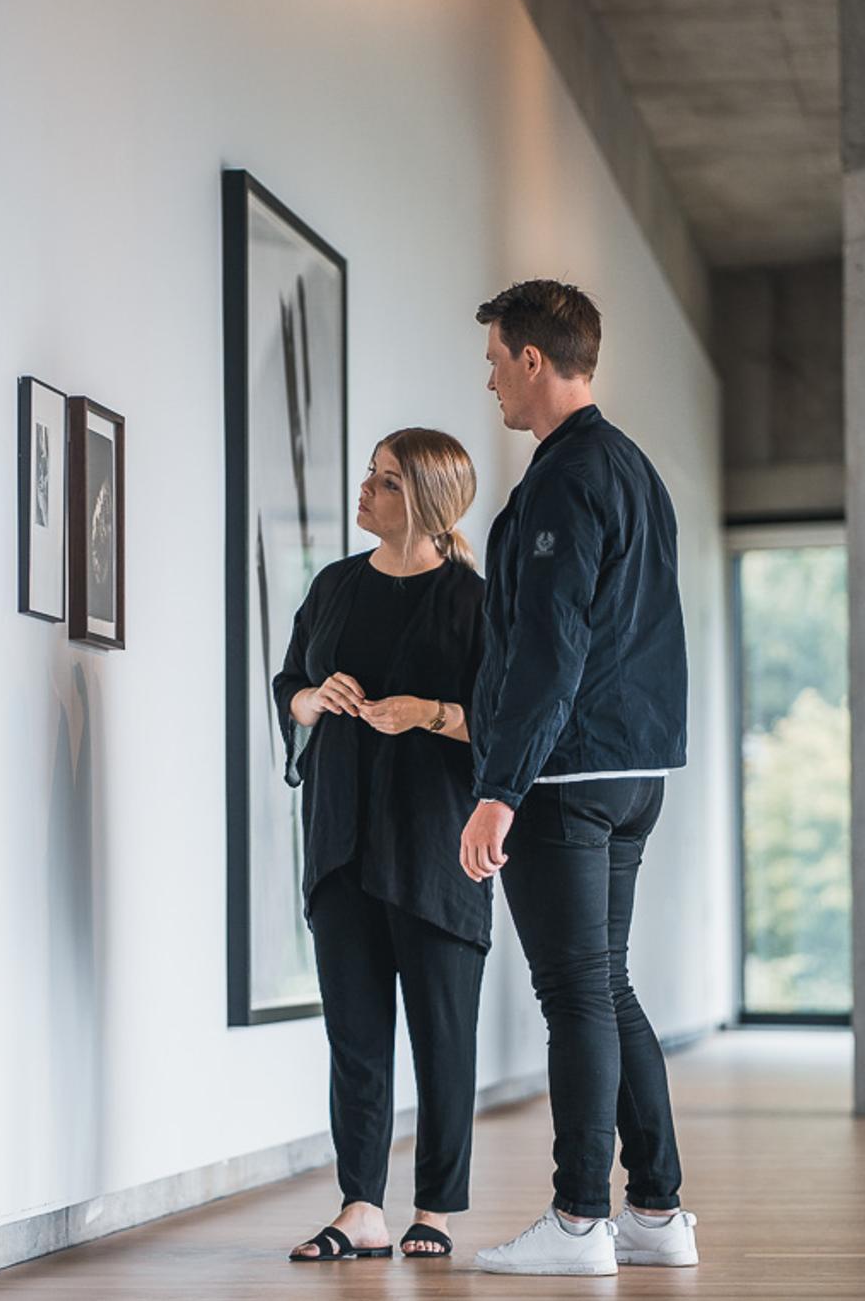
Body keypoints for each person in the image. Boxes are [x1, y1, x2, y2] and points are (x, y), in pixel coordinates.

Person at [459, 281, 700, 1276]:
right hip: (633, 769)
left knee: (573, 997)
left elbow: (550, 651)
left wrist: (498, 786)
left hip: (568, 773)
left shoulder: (565, 478)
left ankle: (576, 1223)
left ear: (529, 358)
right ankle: (654, 1211)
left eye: (492, 362)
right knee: (604, 988)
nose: (489, 384)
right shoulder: (633, 467)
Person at [271, 429, 490, 1263]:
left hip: (437, 847)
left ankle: (434, 1207)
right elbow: (288, 684)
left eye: (385, 481)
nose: (365, 490)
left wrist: (429, 712)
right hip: (340, 843)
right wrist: (312, 697)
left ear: (427, 504)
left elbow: (504, 722)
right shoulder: (333, 586)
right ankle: (361, 1205)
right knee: (355, 1037)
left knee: (442, 1036)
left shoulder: (473, 602)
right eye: (369, 474)